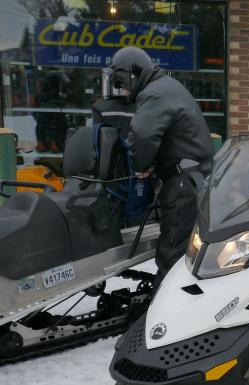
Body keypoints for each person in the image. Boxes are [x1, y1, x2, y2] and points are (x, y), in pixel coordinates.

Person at [102, 47, 214, 282]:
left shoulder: (153, 93)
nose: (123, 89)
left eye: (122, 82)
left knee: (171, 254)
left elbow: (141, 135)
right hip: (193, 177)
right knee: (183, 250)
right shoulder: (166, 86)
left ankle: (163, 313)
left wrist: (141, 165)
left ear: (133, 73)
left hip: (183, 182)